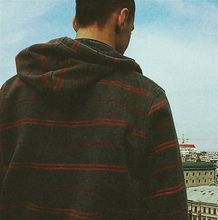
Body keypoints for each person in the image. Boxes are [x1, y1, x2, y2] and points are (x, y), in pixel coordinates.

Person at [0, 0, 187, 218]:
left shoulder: (10, 94)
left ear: (75, 21)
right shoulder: (146, 101)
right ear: (123, 19)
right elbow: (170, 211)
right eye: (131, 29)